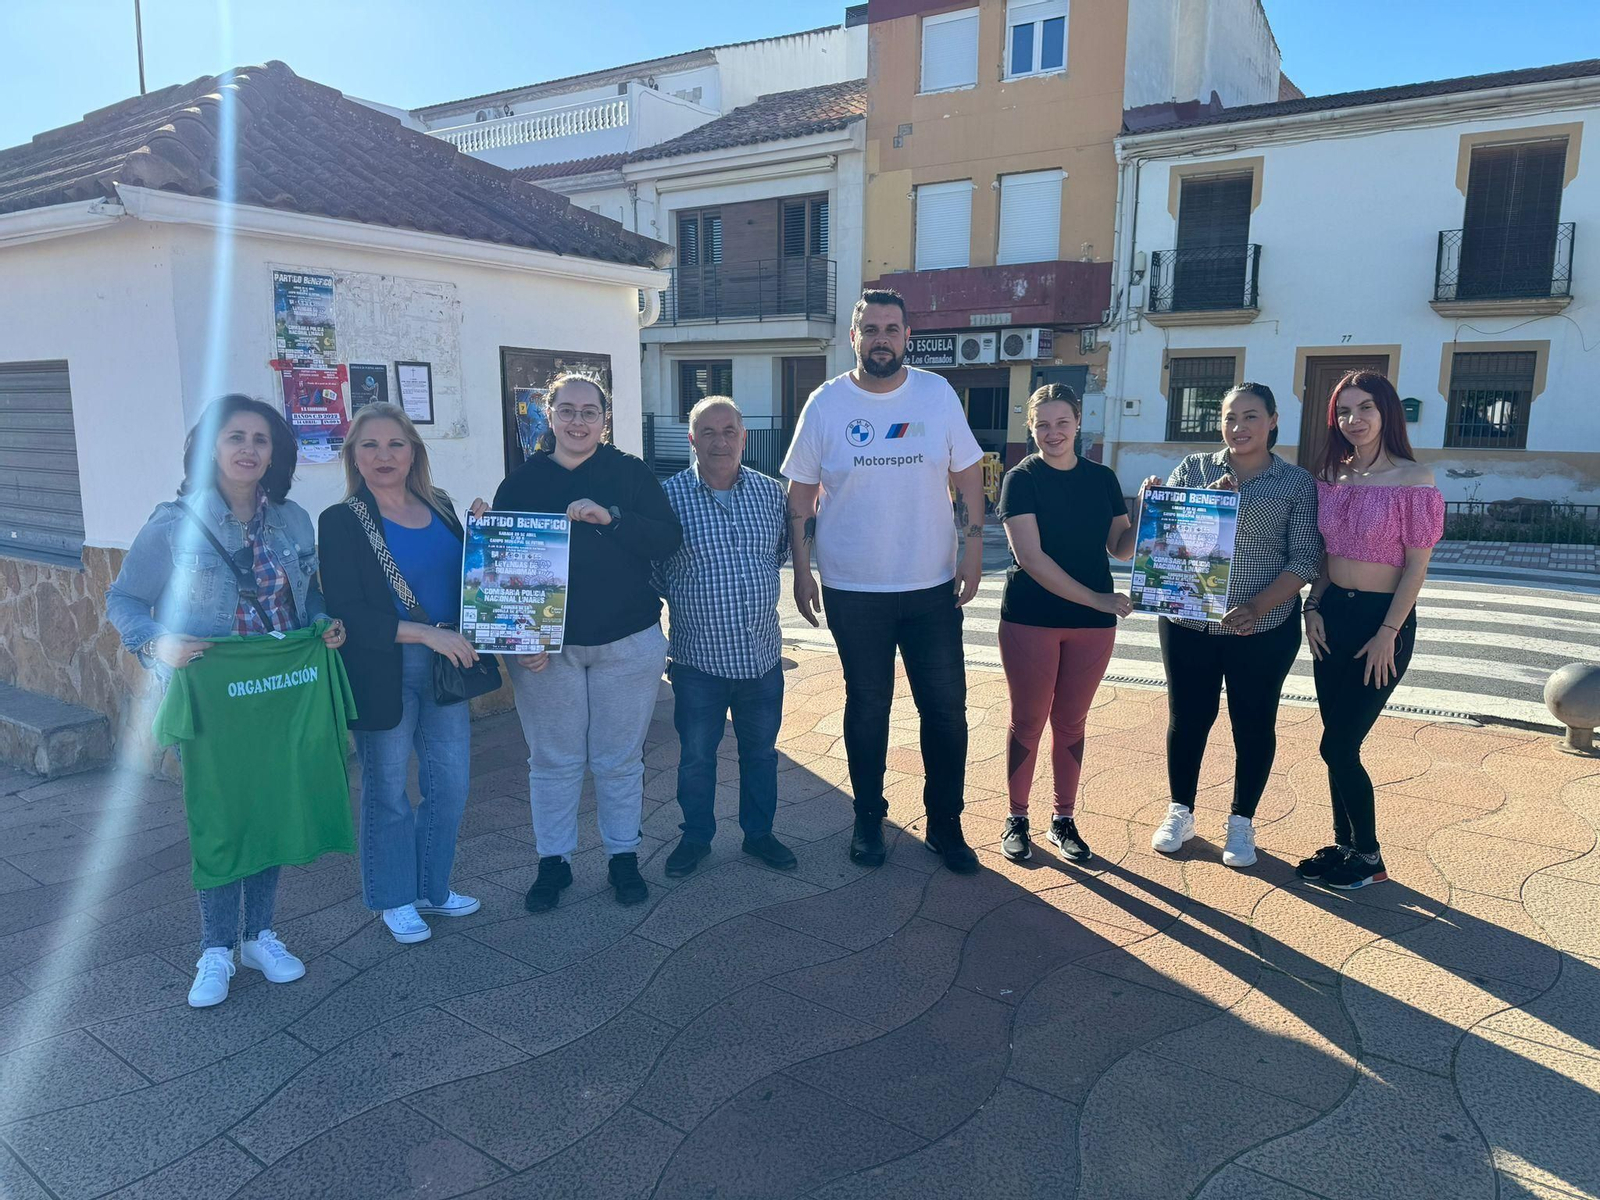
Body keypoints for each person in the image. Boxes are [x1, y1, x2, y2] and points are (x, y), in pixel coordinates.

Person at [107, 394, 348, 1008]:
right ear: (210, 448)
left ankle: (259, 935)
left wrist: (323, 623)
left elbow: (307, 597)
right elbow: (124, 599)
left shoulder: (293, 520)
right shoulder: (174, 522)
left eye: (261, 439)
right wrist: (157, 643)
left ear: (275, 454)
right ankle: (216, 947)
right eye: (235, 437)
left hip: (280, 691)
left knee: (269, 810)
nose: (248, 449)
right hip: (212, 695)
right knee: (220, 817)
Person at [782, 289, 988, 873]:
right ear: (854, 337)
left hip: (931, 587)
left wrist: (973, 550)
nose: (881, 339)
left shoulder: (936, 394)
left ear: (906, 336)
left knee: (945, 711)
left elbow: (969, 476)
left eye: (891, 329)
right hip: (854, 589)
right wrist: (802, 570)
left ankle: (945, 825)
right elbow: (800, 495)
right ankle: (868, 820)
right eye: (870, 329)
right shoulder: (825, 404)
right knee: (868, 708)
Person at [477, 374, 682, 912]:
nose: (577, 421)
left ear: (604, 419)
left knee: (620, 761)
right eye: (566, 410)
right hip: (548, 652)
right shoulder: (522, 483)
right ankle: (554, 862)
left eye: (589, 411)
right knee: (553, 761)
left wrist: (612, 518)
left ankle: (622, 856)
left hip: (627, 640)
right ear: (549, 415)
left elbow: (667, 538)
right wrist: (518, 637)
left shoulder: (629, 472)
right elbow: (505, 570)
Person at [318, 403, 481, 944]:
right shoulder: (341, 521)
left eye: (395, 444)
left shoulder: (442, 506)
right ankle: (393, 897)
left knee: (450, 784)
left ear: (414, 451)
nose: (383, 455)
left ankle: (432, 889)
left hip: (447, 664)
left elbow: (470, 579)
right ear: (353, 456)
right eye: (370, 445)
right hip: (384, 668)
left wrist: (488, 533)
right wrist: (426, 635)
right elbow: (349, 610)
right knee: (387, 789)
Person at [1144, 383, 1322, 868]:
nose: (1239, 427)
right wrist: (1173, 504)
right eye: (1229, 417)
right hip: (1189, 620)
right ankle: (1180, 811)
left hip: (1261, 628)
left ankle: (1242, 822)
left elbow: (1305, 558)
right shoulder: (1194, 469)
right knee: (1188, 718)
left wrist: (1259, 606)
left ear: (1273, 420)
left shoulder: (1295, 483)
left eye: (1250, 416)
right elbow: (1165, 542)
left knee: (1254, 722)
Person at [1300, 371, 1442, 889]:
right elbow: (1326, 554)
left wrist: (1388, 633)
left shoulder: (1414, 479)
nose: (1353, 419)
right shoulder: (1331, 476)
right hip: (1333, 617)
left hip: (1382, 624)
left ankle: (1369, 857)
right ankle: (1345, 845)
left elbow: (1416, 567)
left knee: (1339, 746)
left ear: (1387, 413)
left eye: (1365, 408)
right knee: (1335, 742)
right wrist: (1312, 605)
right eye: (1343, 411)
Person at [654, 397, 796, 876]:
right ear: (691, 439)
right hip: (699, 662)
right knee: (696, 757)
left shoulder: (770, 494)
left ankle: (759, 835)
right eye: (708, 432)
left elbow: (777, 554)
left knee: (761, 754)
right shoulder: (667, 498)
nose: (720, 441)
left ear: (743, 437)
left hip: (762, 658)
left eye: (729, 431)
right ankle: (696, 838)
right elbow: (655, 572)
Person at [997, 384, 1136, 863]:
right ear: (1030, 428)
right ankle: (1017, 818)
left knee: (1072, 723)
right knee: (1028, 721)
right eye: (1042, 424)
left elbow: (1121, 547)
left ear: (1078, 423)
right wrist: (1098, 599)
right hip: (1032, 618)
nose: (1052, 433)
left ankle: (1063, 819)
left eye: (1061, 422)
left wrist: (1153, 510)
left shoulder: (1102, 478)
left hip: (1092, 626)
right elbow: (1031, 559)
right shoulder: (1021, 479)